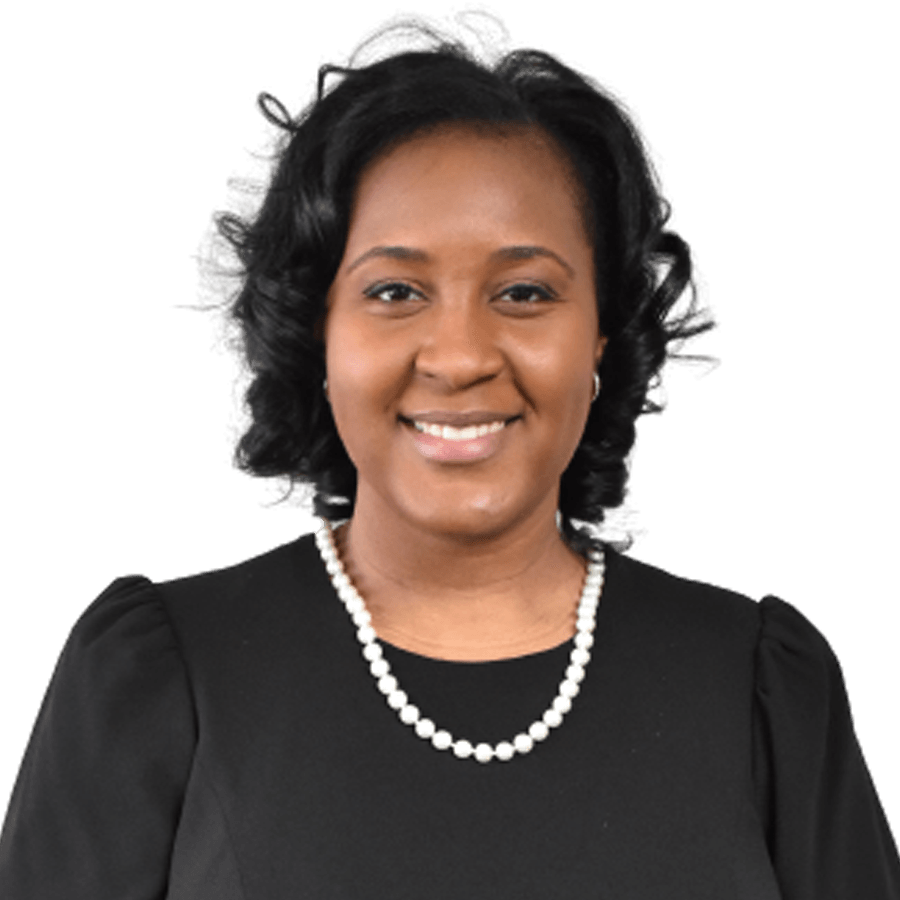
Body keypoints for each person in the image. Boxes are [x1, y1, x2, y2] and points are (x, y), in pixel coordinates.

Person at [1, 43, 898, 900]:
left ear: (601, 336)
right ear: (321, 334)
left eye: (525, 293)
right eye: (395, 291)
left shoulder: (761, 686)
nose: (461, 356)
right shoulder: (159, 675)